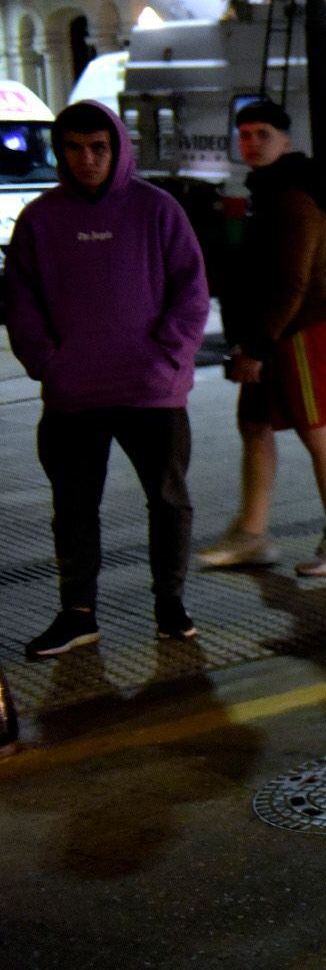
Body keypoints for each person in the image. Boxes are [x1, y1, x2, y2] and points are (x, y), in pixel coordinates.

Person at [2, 100, 209, 657]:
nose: (88, 159)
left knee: (168, 500)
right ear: (60, 151)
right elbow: (20, 301)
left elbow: (191, 294)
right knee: (72, 506)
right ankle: (78, 613)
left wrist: (166, 360)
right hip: (73, 394)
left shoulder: (157, 210)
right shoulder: (41, 220)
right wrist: (48, 363)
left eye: (99, 147)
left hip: (151, 392)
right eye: (74, 148)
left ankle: (170, 603)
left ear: (116, 147)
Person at [195, 101, 326, 576]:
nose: (250, 143)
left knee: (316, 429)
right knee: (254, 425)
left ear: (286, 140)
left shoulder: (293, 196)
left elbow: (292, 283)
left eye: (262, 134)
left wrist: (256, 345)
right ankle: (252, 533)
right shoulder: (266, 190)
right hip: (272, 328)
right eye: (245, 134)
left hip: (300, 328)